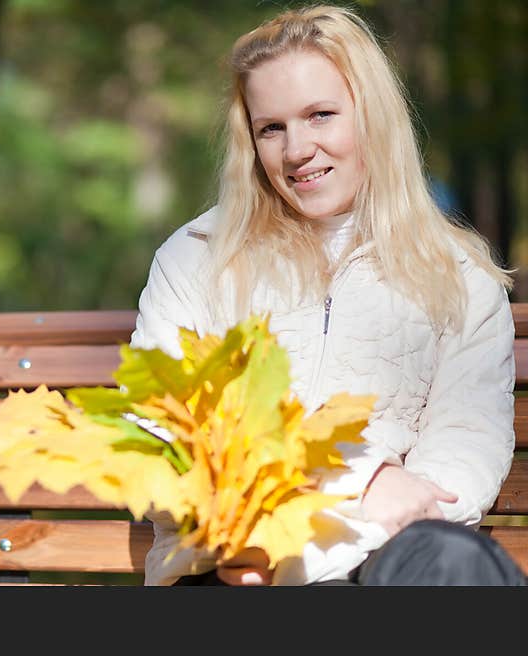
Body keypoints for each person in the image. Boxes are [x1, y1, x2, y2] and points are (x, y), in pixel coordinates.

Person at [129, 4, 526, 586]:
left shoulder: (459, 277)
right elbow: (157, 440)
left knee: (452, 564)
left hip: (383, 565)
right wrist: (357, 479)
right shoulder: (197, 258)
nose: (296, 151)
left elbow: (461, 461)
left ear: (372, 117)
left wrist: (327, 549)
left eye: (320, 115)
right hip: (231, 567)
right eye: (272, 128)